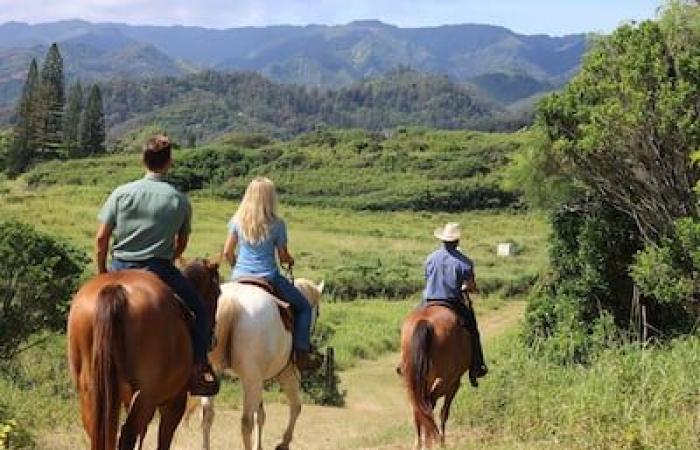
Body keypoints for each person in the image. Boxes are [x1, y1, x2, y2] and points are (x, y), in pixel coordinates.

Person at [95, 135, 219, 396]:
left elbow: (101, 238)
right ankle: (198, 369)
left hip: (118, 266)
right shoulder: (178, 200)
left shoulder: (121, 193)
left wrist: (102, 273)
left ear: (143, 160)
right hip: (158, 268)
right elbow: (182, 243)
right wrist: (171, 256)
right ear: (169, 163)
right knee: (199, 310)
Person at [223, 176, 321, 371]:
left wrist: (237, 267)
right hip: (268, 276)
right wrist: (289, 260)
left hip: (239, 277)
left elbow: (227, 252)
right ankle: (302, 353)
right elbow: (283, 256)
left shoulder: (236, 221)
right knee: (304, 308)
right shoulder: (277, 224)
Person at [423, 222, 488, 387]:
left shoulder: (430, 258)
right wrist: (467, 287)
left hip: (429, 301)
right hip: (452, 302)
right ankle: (477, 366)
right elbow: (471, 286)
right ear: (457, 241)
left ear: (442, 240)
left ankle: (403, 362)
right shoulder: (465, 262)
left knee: (411, 322)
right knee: (473, 329)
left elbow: (428, 279)